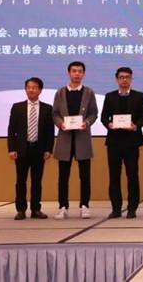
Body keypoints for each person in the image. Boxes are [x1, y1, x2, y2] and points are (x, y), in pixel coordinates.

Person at [52, 61, 98, 220]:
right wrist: (60, 123)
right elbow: (55, 113)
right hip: (65, 140)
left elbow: (93, 113)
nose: (77, 74)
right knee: (63, 177)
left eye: (79, 71)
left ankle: (84, 206)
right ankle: (62, 207)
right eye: (74, 71)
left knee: (85, 176)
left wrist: (87, 123)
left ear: (83, 74)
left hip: (82, 139)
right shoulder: (60, 92)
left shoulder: (89, 92)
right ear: (69, 73)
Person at [101, 67, 143, 219]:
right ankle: (116, 208)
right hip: (114, 142)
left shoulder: (139, 96)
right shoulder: (109, 96)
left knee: (132, 176)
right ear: (117, 79)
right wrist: (108, 124)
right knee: (114, 176)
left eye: (127, 77)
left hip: (132, 142)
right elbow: (104, 117)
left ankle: (132, 208)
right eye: (121, 77)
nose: (124, 80)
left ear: (131, 79)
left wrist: (136, 126)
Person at [7, 77, 54, 220]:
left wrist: (48, 149)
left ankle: (36, 209)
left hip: (39, 150)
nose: (31, 90)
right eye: (28, 87)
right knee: (20, 181)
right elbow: (11, 129)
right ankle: (21, 210)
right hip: (21, 149)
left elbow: (50, 131)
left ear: (40, 90)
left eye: (34, 87)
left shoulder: (47, 108)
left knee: (37, 182)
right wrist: (12, 148)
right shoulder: (17, 107)